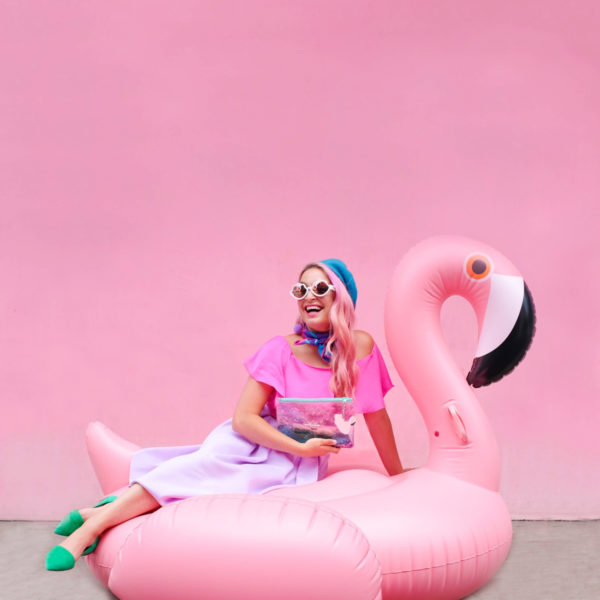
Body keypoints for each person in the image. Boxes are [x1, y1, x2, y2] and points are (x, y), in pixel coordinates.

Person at [46, 259, 403, 571]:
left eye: (319, 288)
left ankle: (98, 512)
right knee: (201, 469)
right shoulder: (280, 349)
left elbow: (376, 415)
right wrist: (299, 448)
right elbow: (244, 419)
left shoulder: (361, 348)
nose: (308, 296)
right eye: (301, 289)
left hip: (299, 463)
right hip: (252, 441)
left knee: (209, 493)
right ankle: (87, 531)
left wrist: (398, 475)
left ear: (340, 296)